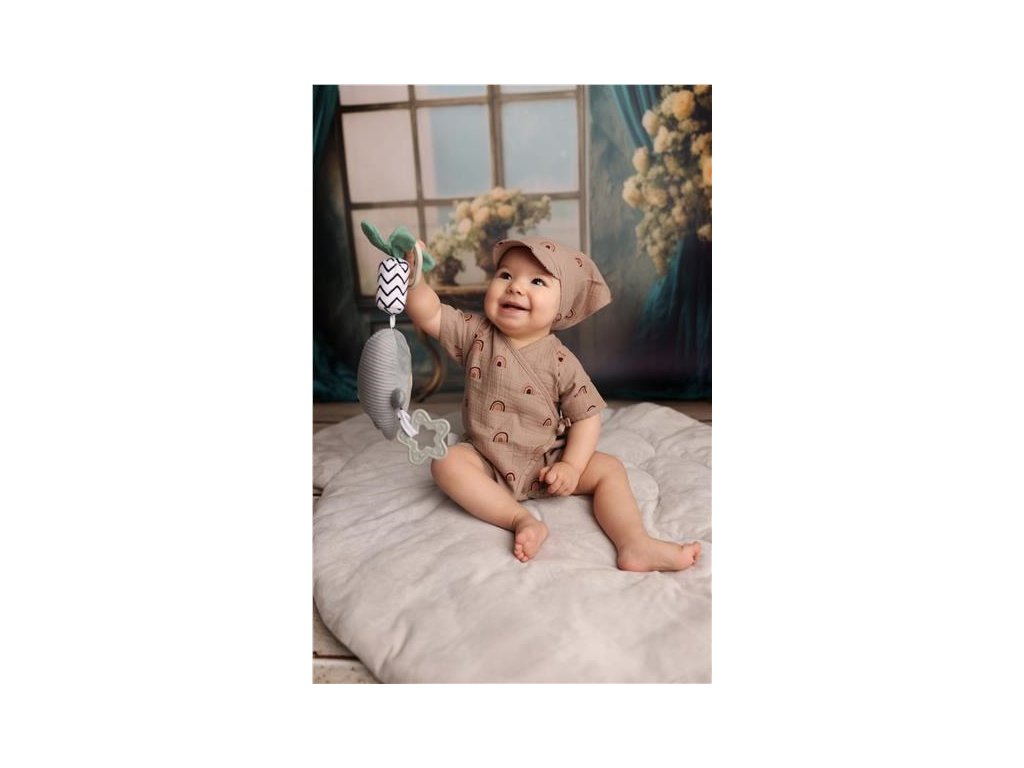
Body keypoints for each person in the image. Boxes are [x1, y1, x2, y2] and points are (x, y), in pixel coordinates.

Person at [403, 236, 701, 571]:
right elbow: (430, 313)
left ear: (561, 305)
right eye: (505, 275)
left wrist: (571, 465)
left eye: (537, 281)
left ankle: (634, 543)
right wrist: (416, 278)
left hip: (546, 462)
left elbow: (586, 417)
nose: (515, 287)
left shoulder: (561, 361)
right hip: (485, 459)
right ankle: (519, 518)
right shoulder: (476, 334)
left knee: (610, 469)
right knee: (445, 462)